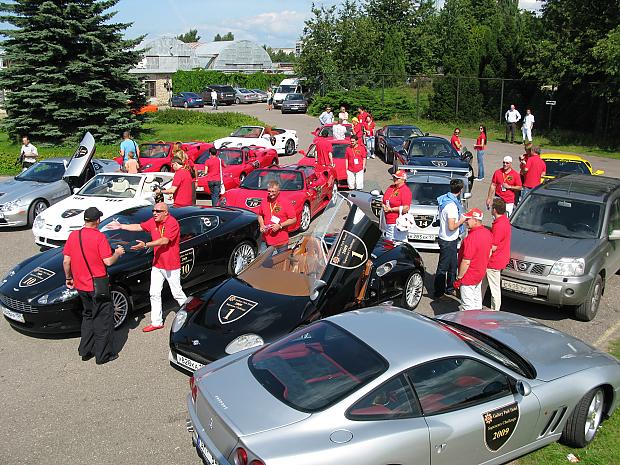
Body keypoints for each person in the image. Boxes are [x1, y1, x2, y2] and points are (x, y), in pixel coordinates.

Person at [107, 203, 186, 332]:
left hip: (171, 265)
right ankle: (156, 322)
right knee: (154, 293)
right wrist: (121, 226)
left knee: (177, 293)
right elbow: (139, 226)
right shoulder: (153, 221)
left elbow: (164, 240)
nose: (155, 213)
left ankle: (190, 314)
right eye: (153, 211)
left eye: (158, 211)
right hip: (157, 264)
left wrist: (146, 245)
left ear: (166, 212)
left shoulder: (172, 223)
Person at [63, 207, 125, 364]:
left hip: (81, 286)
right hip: (98, 286)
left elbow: (66, 261)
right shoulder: (100, 237)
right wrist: (117, 252)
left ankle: (85, 350)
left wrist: (69, 278)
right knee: (103, 320)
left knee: (88, 316)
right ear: (97, 220)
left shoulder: (73, 235)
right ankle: (103, 355)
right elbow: (108, 261)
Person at [433, 179, 467, 299]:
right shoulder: (451, 206)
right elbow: (452, 226)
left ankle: (450, 288)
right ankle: (438, 293)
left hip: (449, 239)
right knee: (443, 268)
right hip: (448, 240)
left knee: (453, 266)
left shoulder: (445, 199)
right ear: (461, 190)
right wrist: (462, 220)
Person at [455, 208, 493, 311]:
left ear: (476, 220)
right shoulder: (487, 233)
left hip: (469, 276)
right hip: (479, 273)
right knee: (477, 303)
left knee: (467, 307)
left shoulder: (471, 238)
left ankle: (467, 326)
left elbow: (466, 261)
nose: (466, 221)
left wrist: (459, 277)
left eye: (468, 219)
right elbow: (489, 252)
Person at [485, 198, 511, 311]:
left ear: (494, 210)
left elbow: (493, 246)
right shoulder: (505, 220)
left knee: (494, 288)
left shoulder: (499, 225)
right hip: (500, 258)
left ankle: (495, 310)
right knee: (483, 284)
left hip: (494, 261)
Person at [257, 181, 296, 252]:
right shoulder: (264, 201)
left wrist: (280, 225)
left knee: (281, 261)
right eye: (269, 191)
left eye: (273, 191)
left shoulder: (285, 202)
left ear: (278, 191)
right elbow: (260, 215)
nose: (270, 194)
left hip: (280, 241)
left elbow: (293, 219)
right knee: (264, 262)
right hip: (265, 239)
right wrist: (262, 225)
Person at [382, 170, 412, 242]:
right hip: (387, 221)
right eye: (394, 177)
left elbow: (406, 208)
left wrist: (391, 209)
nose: (395, 179)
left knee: (395, 244)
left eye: (397, 178)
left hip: (397, 223)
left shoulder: (405, 190)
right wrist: (383, 206)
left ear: (403, 180)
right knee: (389, 243)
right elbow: (384, 200)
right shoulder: (391, 187)